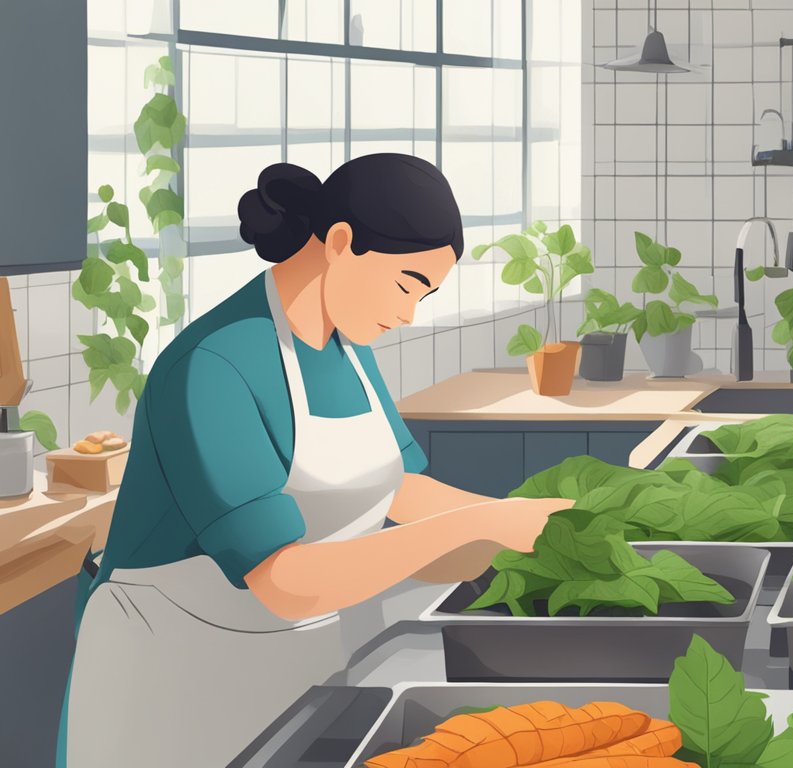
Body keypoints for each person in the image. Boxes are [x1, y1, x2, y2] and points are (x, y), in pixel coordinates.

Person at [63, 154, 574, 767]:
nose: (411, 313)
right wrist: (470, 528)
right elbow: (281, 578)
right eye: (408, 283)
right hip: (172, 679)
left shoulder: (345, 347)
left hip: (294, 668)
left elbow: (399, 488)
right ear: (340, 242)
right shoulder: (213, 366)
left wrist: (526, 522)